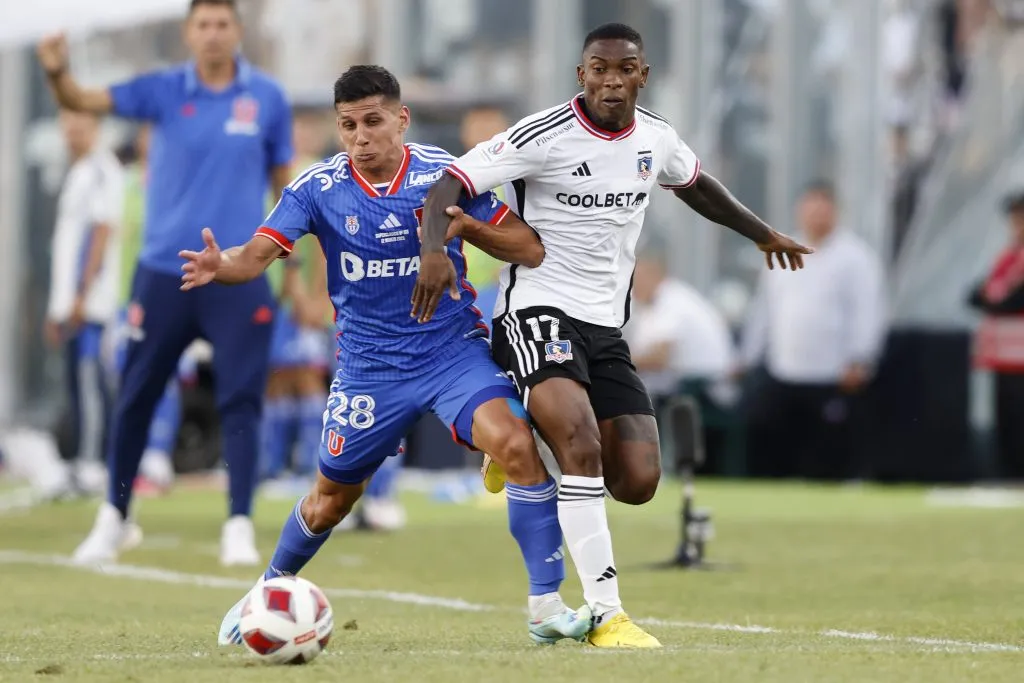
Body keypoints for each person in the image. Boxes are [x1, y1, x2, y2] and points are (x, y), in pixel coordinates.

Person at [416, 22, 812, 648]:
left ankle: (517, 433)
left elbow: (697, 186)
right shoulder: (540, 135)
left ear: (641, 76)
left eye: (623, 69)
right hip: (537, 310)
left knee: (637, 479)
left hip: (605, 326)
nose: (610, 80)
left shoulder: (655, 138)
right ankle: (606, 614)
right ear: (582, 75)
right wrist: (433, 248)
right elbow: (450, 184)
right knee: (579, 445)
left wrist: (761, 233)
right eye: (598, 68)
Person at [188, 65, 596, 646]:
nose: (360, 136)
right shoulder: (317, 189)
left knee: (515, 442)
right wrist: (220, 266)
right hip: (368, 372)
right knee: (331, 502)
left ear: (401, 119)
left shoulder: (448, 178)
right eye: (348, 125)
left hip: (449, 353)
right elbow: (255, 254)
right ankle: (266, 591)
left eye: (373, 121)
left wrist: (464, 230)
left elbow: (530, 247)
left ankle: (546, 606)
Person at [37, 0, 295, 566]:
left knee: (241, 401)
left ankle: (238, 526)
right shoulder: (160, 90)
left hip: (239, 272)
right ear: (187, 32)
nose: (212, 33)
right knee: (136, 396)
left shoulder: (268, 99)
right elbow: (82, 100)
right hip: (162, 272)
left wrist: (291, 269)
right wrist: (57, 70)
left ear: (238, 30)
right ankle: (115, 517)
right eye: (202, 24)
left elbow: (287, 191)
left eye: (222, 23)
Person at [740, 181, 886, 480]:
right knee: (779, 445)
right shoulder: (781, 250)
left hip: (832, 373)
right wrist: (748, 355)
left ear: (836, 211)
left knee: (828, 452)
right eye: (811, 206)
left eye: (824, 207)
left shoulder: (855, 257)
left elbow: (868, 310)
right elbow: (764, 309)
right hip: (785, 369)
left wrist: (860, 357)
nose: (817, 214)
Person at [44, 109, 125, 495]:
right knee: (75, 385)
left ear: (95, 128)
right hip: (70, 303)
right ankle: (80, 464)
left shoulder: (101, 170)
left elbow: (101, 231)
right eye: (68, 127)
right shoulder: (76, 172)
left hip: (90, 304)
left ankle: (96, 464)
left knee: (91, 382)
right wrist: (56, 306)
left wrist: (80, 294)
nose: (72, 133)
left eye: (80, 126)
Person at [969, 190, 1024, 479]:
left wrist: (994, 301)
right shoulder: (1007, 257)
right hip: (1004, 357)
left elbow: (1010, 300)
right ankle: (1009, 475)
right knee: (1007, 419)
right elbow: (974, 295)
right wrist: (994, 301)